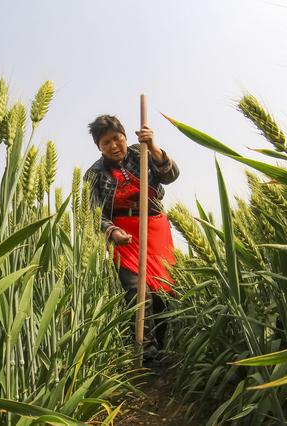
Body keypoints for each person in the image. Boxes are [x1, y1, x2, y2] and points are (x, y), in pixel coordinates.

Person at [83, 114, 179, 365]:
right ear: (99, 147)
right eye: (106, 143)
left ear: (126, 137)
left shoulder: (142, 153)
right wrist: (111, 232)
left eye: (117, 138)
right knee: (137, 291)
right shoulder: (94, 174)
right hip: (125, 235)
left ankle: (164, 350)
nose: (113, 146)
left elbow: (171, 175)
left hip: (155, 229)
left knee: (162, 292)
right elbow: (92, 211)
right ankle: (146, 355)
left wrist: (154, 147)